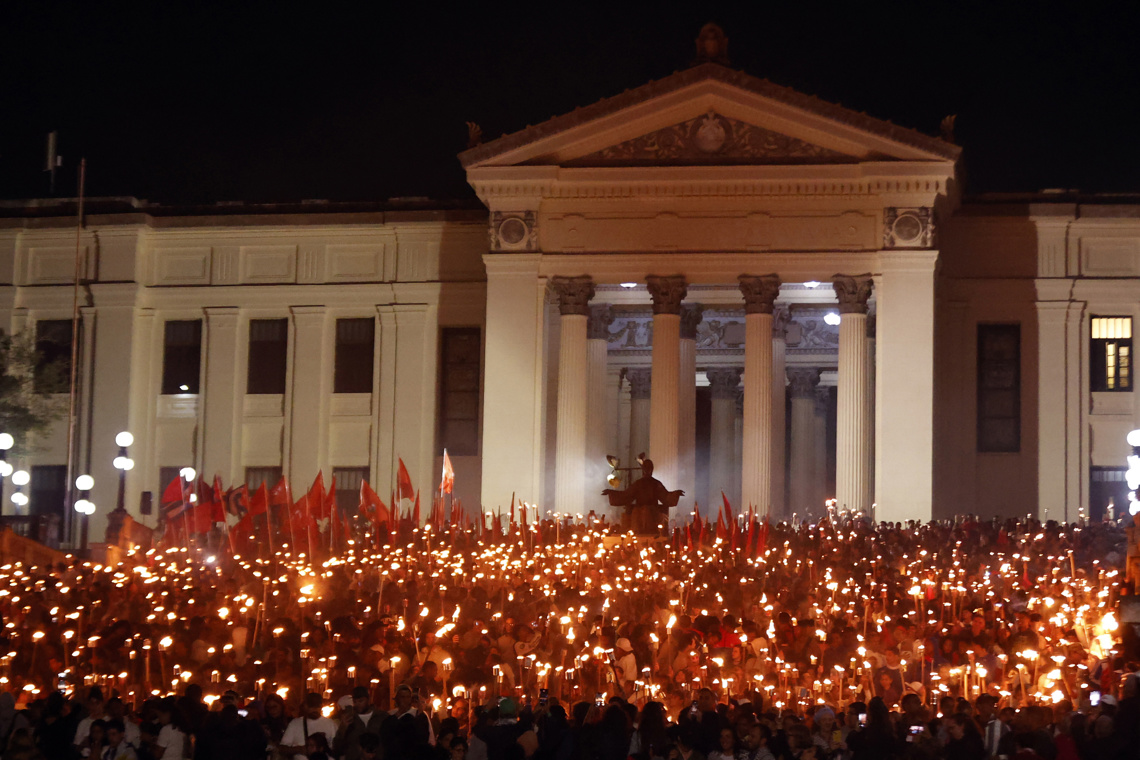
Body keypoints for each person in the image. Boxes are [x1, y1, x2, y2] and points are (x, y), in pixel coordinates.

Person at [278, 694, 338, 760]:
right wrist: (299, 749)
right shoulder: (295, 724)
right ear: (305, 706)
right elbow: (282, 749)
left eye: (317, 706)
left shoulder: (330, 724)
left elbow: (337, 748)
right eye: (311, 706)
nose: (314, 709)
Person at [334, 687, 384, 760]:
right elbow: (338, 747)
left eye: (361, 701)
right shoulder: (350, 719)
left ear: (368, 700)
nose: (357, 704)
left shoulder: (381, 717)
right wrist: (343, 728)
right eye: (355, 702)